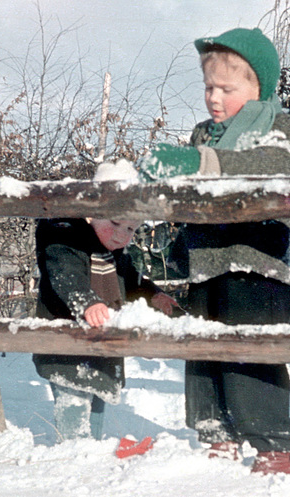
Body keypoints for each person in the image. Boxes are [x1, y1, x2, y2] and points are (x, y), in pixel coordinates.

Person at [138, 27, 290, 475]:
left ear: (258, 88)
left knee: (251, 351)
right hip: (204, 264)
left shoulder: (281, 129)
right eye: (208, 87)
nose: (214, 98)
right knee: (204, 352)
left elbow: (272, 168)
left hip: (257, 265)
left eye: (226, 89)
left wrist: (199, 164)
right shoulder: (203, 134)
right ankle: (216, 433)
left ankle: (272, 443)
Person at [32, 160, 178, 442]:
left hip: (102, 347)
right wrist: (86, 302)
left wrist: (153, 295)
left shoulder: (115, 254)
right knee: (73, 400)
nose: (122, 234)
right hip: (67, 344)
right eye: (115, 223)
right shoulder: (65, 234)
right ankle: (74, 451)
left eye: (131, 229)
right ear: (92, 212)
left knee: (98, 397)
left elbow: (132, 280)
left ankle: (92, 450)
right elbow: (65, 273)